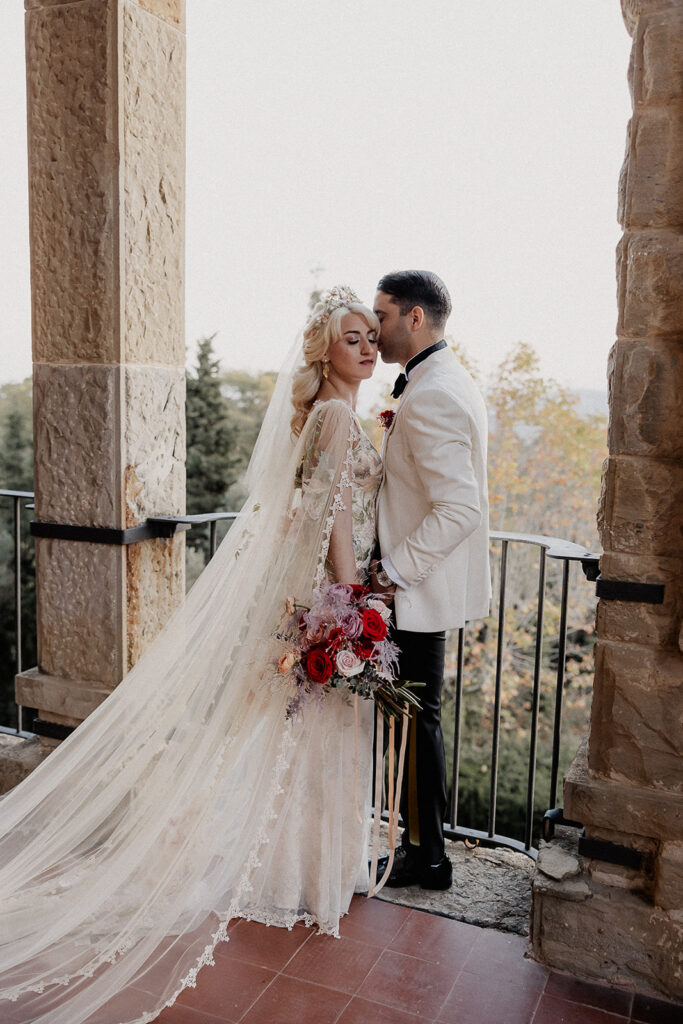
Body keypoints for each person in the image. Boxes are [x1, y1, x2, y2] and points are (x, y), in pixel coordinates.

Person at [0, 287, 384, 1024]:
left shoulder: (336, 414)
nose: (367, 347)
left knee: (294, 732)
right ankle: (299, 876)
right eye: (352, 338)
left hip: (311, 601)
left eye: (371, 336)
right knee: (302, 731)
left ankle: (296, 870)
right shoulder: (336, 416)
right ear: (323, 353)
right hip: (328, 600)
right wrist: (349, 600)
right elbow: (331, 512)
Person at [370, 270, 491, 890]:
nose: (376, 327)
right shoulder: (441, 380)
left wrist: (392, 572)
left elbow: (460, 507)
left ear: (415, 318)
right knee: (417, 723)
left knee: (418, 723)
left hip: (418, 591)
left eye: (384, 315)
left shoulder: (434, 393)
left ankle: (428, 858)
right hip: (421, 590)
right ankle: (424, 850)